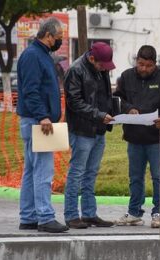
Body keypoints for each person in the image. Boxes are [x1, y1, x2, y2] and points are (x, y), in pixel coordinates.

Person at [113, 45, 160, 228]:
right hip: (134, 137)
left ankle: (159, 213)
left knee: (159, 177)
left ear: (155, 64)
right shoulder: (126, 77)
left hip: (157, 138)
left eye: (148, 65)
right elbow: (118, 100)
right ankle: (134, 212)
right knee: (135, 176)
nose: (144, 69)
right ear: (136, 61)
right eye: (141, 64)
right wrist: (128, 109)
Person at [16, 17, 68, 233]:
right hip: (38, 123)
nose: (60, 42)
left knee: (31, 170)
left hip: (38, 120)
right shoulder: (33, 56)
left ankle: (28, 216)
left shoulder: (41, 54)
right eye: (58, 38)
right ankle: (45, 217)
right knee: (43, 171)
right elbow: (31, 91)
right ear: (48, 35)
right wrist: (43, 116)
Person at [63, 42, 116, 229]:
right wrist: (100, 115)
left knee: (91, 173)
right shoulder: (75, 70)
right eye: (102, 64)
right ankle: (71, 215)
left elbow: (104, 95)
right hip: (82, 130)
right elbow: (74, 102)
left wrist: (112, 111)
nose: (104, 69)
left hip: (99, 129)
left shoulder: (101, 69)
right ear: (92, 58)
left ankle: (89, 213)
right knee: (77, 172)